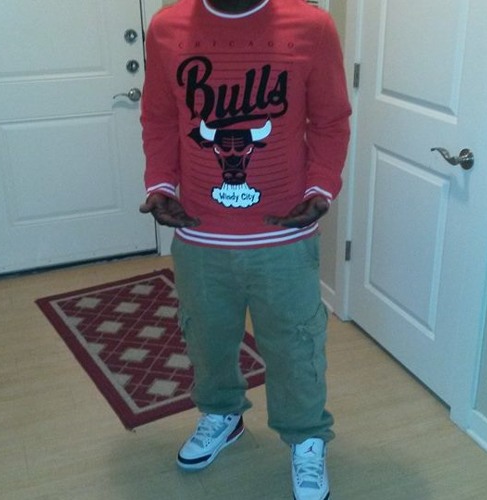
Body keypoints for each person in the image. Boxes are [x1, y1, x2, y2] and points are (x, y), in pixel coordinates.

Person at [139, 1, 351, 498]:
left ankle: (305, 437)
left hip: (283, 236)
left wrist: (320, 188)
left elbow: (330, 120)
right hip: (200, 234)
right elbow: (160, 118)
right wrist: (161, 184)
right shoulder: (166, 28)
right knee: (207, 338)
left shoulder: (313, 26)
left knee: (295, 345)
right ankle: (222, 414)